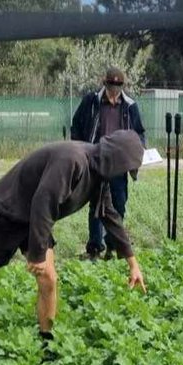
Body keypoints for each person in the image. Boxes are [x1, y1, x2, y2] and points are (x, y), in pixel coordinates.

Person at [0, 131, 147, 365]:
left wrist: (133, 264)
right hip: (5, 213)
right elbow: (43, 201)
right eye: (125, 169)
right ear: (116, 160)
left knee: (49, 279)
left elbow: (109, 216)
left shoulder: (99, 175)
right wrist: (38, 254)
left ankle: (46, 344)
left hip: (35, 221)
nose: (122, 175)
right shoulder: (73, 160)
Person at [70, 67, 146, 258]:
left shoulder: (129, 106)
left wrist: (138, 152)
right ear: (104, 83)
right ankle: (95, 248)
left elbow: (139, 133)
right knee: (96, 206)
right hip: (96, 161)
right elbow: (76, 125)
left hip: (118, 164)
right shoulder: (91, 101)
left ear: (123, 85)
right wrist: (81, 151)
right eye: (111, 85)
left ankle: (113, 246)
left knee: (119, 205)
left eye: (118, 86)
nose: (114, 89)